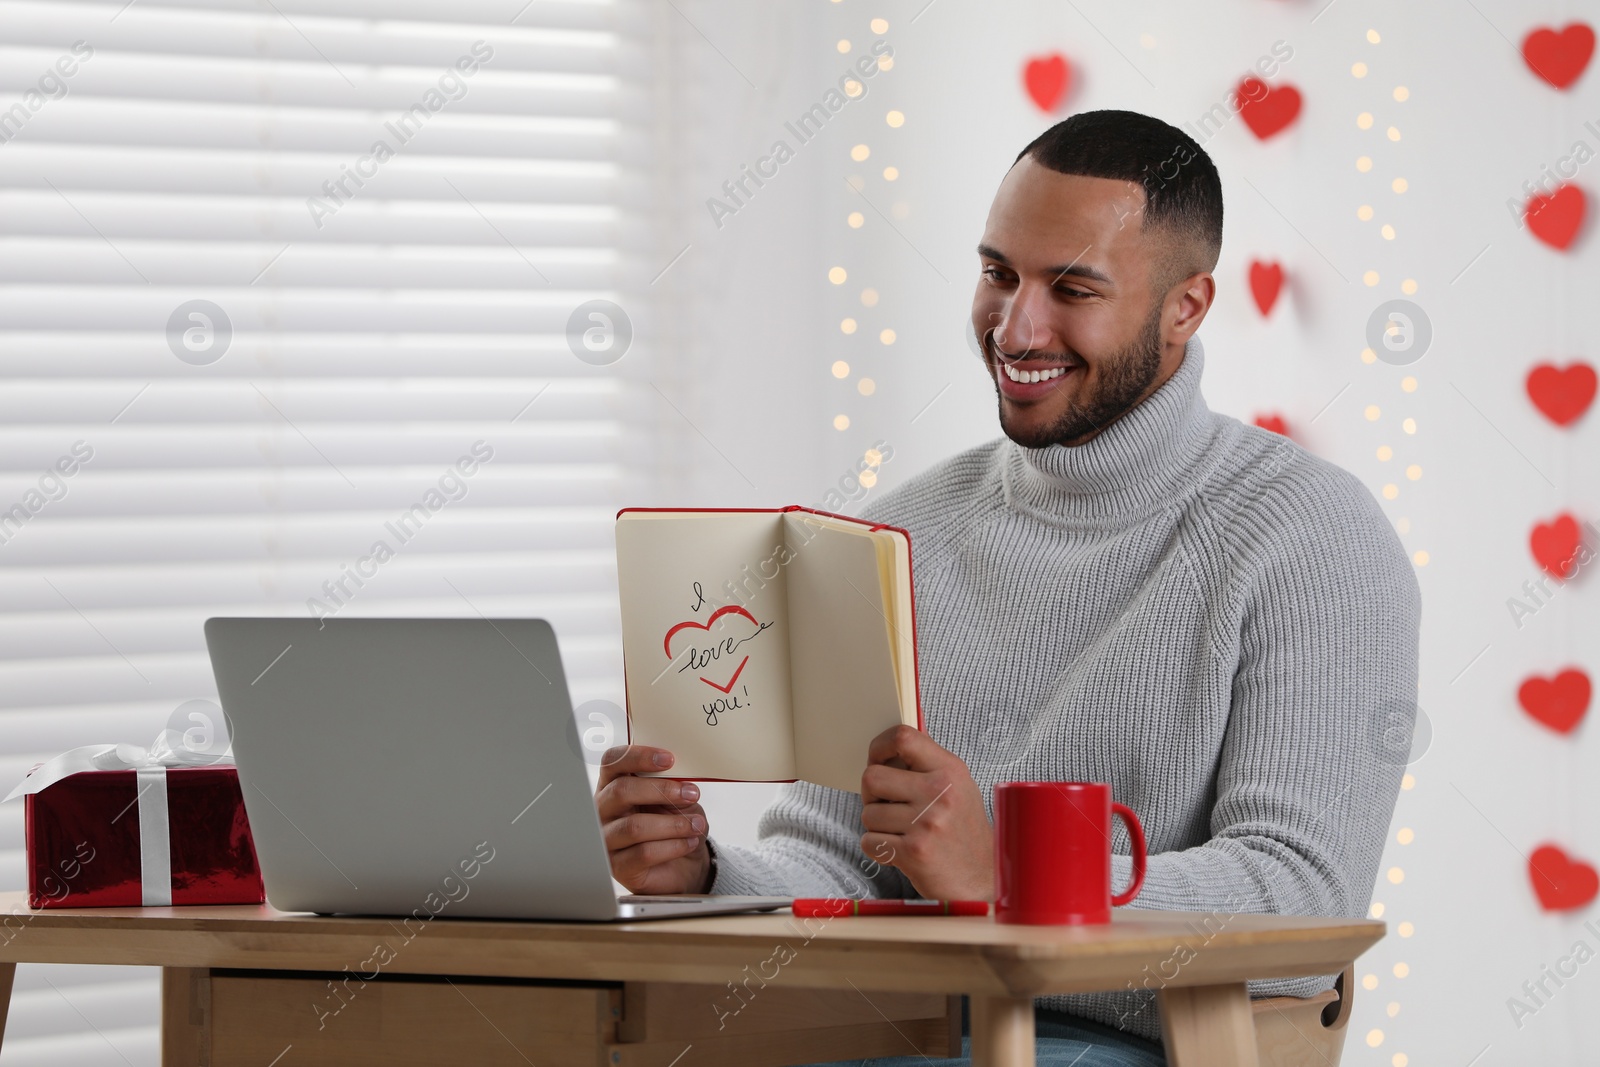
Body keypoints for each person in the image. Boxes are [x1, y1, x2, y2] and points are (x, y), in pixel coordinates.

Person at [596, 109, 1421, 1066]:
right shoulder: (899, 529)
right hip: (902, 1025)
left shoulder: (1312, 535)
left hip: (1137, 1040)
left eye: (1073, 288)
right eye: (999, 274)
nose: (1017, 326)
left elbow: (1301, 896)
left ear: (1187, 306)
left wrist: (1007, 876)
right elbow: (835, 856)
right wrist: (702, 870)